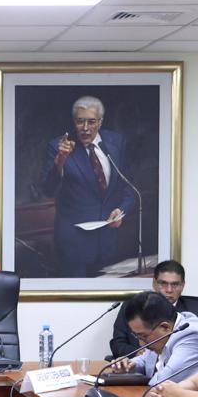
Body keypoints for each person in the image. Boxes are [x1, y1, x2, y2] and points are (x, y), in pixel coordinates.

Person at [36, 96, 136, 278]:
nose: (85, 128)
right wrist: (60, 160)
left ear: (100, 121)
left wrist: (121, 211)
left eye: (91, 121)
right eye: (80, 121)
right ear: (73, 121)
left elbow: (129, 188)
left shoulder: (115, 143)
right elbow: (48, 189)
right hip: (74, 247)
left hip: (109, 243)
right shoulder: (59, 147)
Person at [111, 291, 198, 385]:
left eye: (143, 336)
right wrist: (130, 365)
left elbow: (162, 382)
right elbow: (147, 360)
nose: (141, 344)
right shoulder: (168, 328)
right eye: (137, 336)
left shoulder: (194, 336)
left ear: (165, 327)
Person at [108, 260, 198, 359]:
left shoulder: (194, 309)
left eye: (175, 284)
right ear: (154, 283)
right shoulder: (132, 306)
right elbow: (117, 344)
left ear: (183, 285)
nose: (169, 290)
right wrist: (137, 354)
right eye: (163, 283)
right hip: (138, 366)